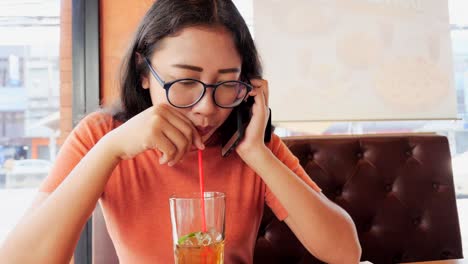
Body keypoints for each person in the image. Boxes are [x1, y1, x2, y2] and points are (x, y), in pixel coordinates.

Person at [0, 0, 361, 263]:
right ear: (144, 72)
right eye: (185, 81)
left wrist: (257, 155)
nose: (207, 107)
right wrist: (110, 150)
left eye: (226, 83)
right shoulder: (102, 135)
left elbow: (346, 253)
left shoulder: (251, 142)